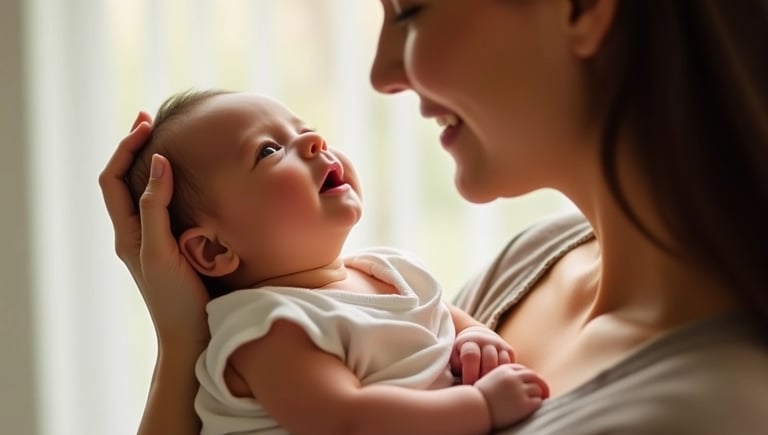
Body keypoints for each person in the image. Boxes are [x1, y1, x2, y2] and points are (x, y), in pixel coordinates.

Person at [99, 0, 768, 434]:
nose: (383, 72)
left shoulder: (702, 406)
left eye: (410, 11)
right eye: (270, 150)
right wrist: (182, 339)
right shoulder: (529, 261)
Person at [123, 88, 549, 435]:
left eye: (305, 130)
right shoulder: (265, 326)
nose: (314, 142)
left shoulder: (390, 271)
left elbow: (452, 321)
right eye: (269, 151)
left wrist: (476, 340)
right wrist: (481, 405)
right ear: (214, 250)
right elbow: (347, 420)